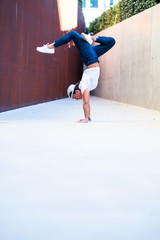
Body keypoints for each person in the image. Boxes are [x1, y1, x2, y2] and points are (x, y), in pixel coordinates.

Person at [36, 31, 115, 123]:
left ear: (76, 91)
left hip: (89, 58)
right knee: (111, 42)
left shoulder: (83, 85)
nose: (77, 99)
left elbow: (86, 102)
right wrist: (88, 117)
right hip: (93, 57)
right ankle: (91, 38)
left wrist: (86, 119)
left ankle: (50, 47)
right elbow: (86, 102)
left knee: (73, 34)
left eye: (75, 97)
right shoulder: (86, 86)